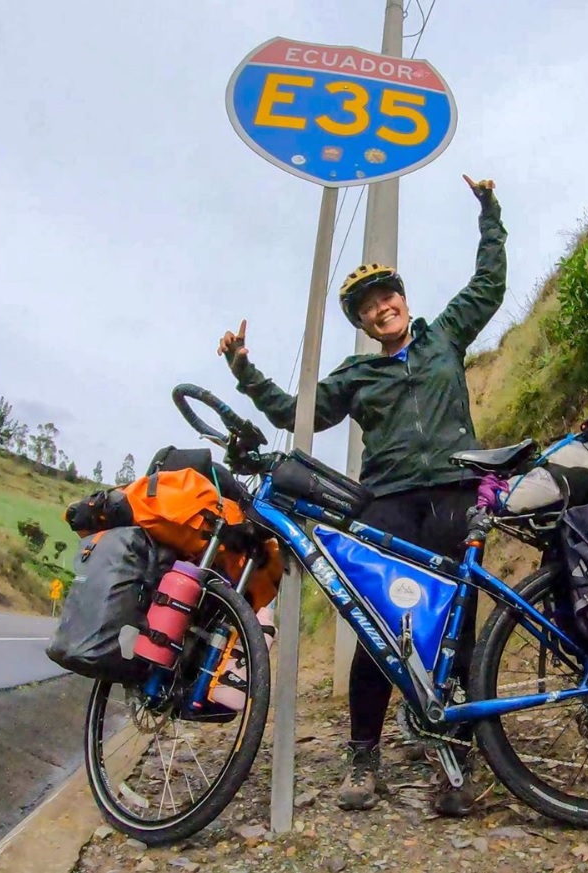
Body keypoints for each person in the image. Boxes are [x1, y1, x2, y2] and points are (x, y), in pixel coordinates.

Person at [217, 174, 507, 817]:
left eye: (388, 296)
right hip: (389, 502)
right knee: (381, 629)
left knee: (454, 632)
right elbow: (300, 412)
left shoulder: (444, 337)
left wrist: (490, 211)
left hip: (458, 496)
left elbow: (489, 285)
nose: (383, 308)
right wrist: (244, 372)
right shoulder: (358, 373)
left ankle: (453, 762)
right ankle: (364, 756)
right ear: (363, 322)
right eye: (369, 306)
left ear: (403, 299)